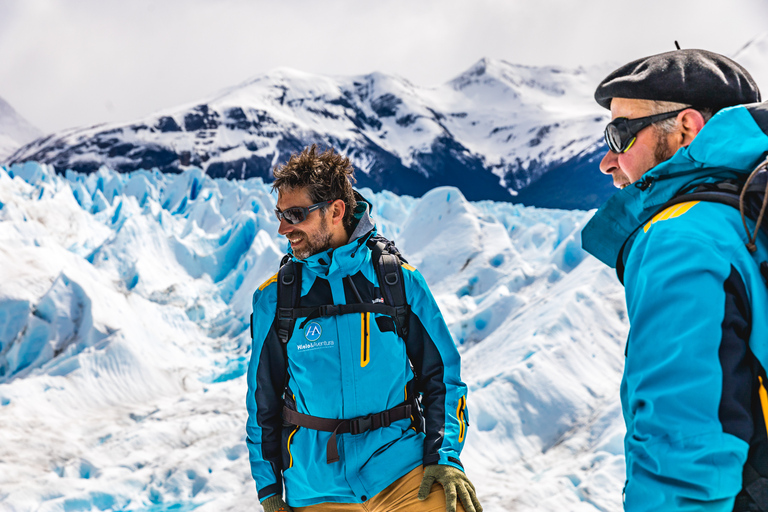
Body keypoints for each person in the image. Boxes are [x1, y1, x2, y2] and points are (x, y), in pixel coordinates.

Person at [581, 48, 768, 511]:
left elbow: (680, 442)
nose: (608, 161)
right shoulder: (749, 212)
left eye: (620, 134)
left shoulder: (681, 236)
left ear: (687, 127)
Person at [246, 145, 482, 512]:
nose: (282, 228)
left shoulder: (398, 282)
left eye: (295, 214)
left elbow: (443, 377)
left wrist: (445, 457)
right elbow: (263, 402)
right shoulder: (275, 299)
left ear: (336, 210)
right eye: (280, 214)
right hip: (316, 487)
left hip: (401, 471)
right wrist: (269, 492)